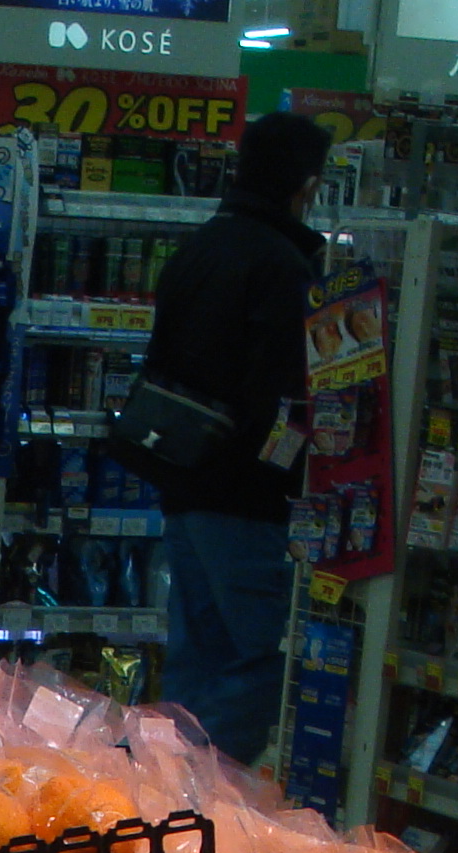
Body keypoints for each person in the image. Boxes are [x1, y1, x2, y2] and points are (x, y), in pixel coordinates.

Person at [135, 112, 331, 769]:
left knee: (197, 652)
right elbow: (281, 394)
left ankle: (165, 789)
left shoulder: (198, 248)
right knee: (261, 654)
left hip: (182, 480)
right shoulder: (283, 265)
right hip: (248, 497)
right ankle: (213, 796)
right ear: (305, 185)